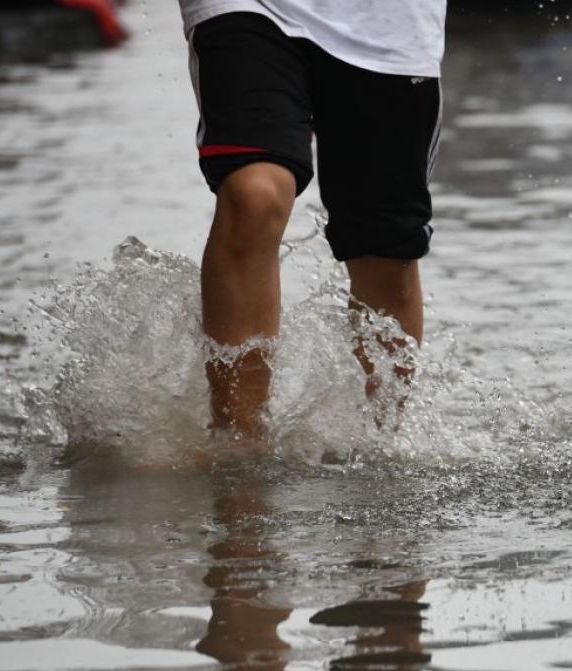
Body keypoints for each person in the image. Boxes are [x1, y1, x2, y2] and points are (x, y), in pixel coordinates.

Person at [178, 1, 446, 440]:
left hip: (391, 27)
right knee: (254, 195)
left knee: (384, 251)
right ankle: (238, 454)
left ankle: (382, 453)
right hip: (251, 9)